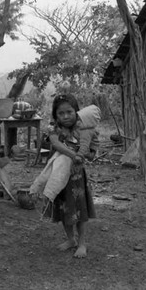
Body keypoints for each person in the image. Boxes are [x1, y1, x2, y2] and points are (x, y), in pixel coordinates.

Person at [29, 94, 97, 258]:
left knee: (79, 211)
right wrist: (74, 155)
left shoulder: (83, 129)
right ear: (55, 116)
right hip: (59, 179)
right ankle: (70, 239)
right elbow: (57, 144)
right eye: (61, 113)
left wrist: (86, 152)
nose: (66, 116)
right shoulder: (54, 129)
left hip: (77, 179)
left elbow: (91, 154)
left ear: (77, 112)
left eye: (69, 112)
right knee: (64, 210)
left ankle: (82, 243)